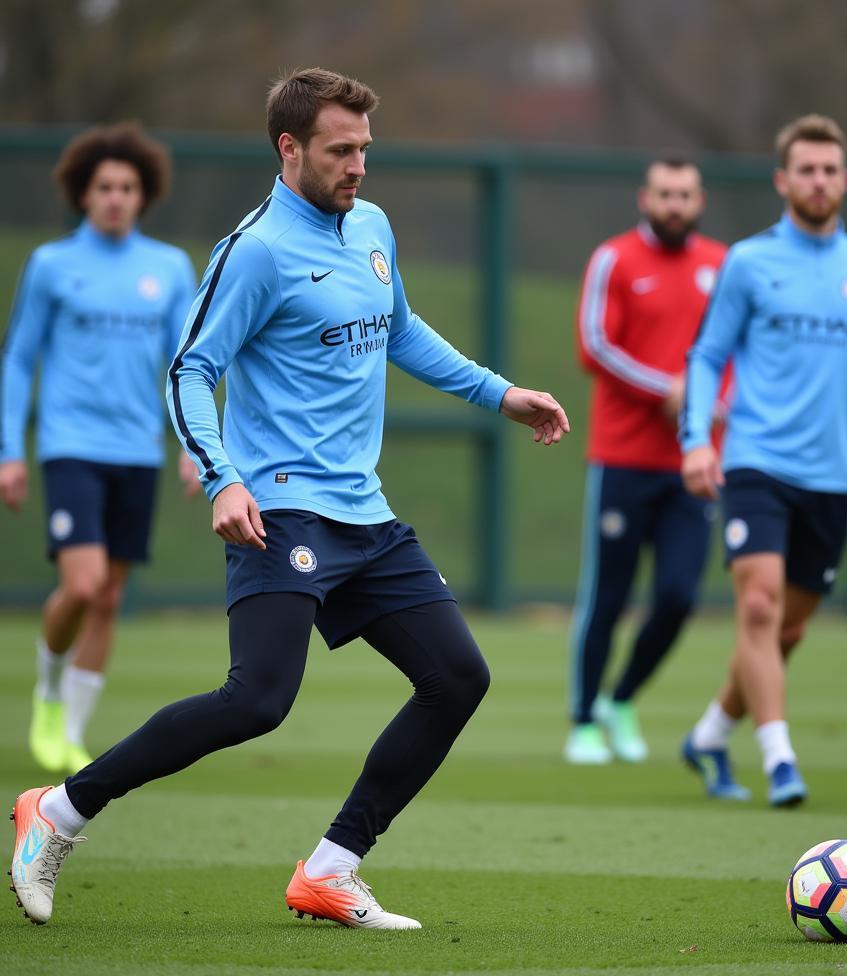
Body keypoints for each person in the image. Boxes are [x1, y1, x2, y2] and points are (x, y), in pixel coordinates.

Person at [10, 66, 570, 931]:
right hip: (282, 509)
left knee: (458, 677)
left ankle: (331, 868)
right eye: (340, 151)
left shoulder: (372, 224)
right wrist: (224, 476)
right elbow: (192, 368)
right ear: (290, 149)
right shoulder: (258, 249)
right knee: (257, 701)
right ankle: (60, 811)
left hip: (366, 515)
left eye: (364, 151)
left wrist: (500, 394)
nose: (357, 167)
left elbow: (401, 329)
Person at [679, 114, 847, 806]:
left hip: (833, 478)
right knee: (756, 605)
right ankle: (781, 759)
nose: (819, 181)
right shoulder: (748, 262)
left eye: (830, 170)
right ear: (783, 180)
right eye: (806, 169)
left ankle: (712, 732)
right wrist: (697, 439)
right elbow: (707, 355)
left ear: (844, 180)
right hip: (756, 462)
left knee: (789, 627)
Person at [0, 123, 201, 775]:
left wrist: (193, 445)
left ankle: (75, 736)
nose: (116, 198)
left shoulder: (168, 268)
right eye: (104, 187)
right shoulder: (54, 265)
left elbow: (184, 364)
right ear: (83, 196)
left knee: (110, 595)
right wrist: (10, 451)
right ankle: (49, 694)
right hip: (71, 447)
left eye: (128, 188)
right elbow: (19, 359)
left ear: (144, 197)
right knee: (82, 585)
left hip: (137, 451)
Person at [566, 159, 730, 765]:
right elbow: (595, 345)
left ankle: (623, 697)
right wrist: (668, 388)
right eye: (665, 194)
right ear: (646, 197)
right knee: (607, 595)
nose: (675, 204)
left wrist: (713, 402)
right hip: (623, 457)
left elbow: (740, 351)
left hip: (693, 461)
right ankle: (583, 721)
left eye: (685, 194)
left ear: (700, 199)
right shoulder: (615, 259)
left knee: (681, 596)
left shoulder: (722, 263)